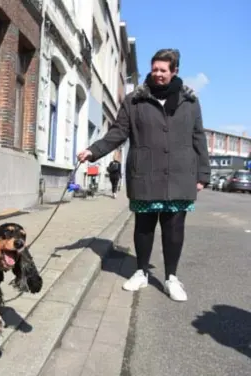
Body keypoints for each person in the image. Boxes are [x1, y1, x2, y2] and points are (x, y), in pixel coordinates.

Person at [77, 49, 210, 302]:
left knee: (173, 230)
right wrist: (93, 151)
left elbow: (198, 137)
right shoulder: (134, 101)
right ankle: (141, 272)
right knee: (144, 228)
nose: (158, 74)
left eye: (163, 70)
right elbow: (118, 132)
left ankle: (171, 277)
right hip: (145, 173)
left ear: (174, 71)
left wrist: (203, 172)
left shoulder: (190, 102)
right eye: (155, 69)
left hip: (179, 175)